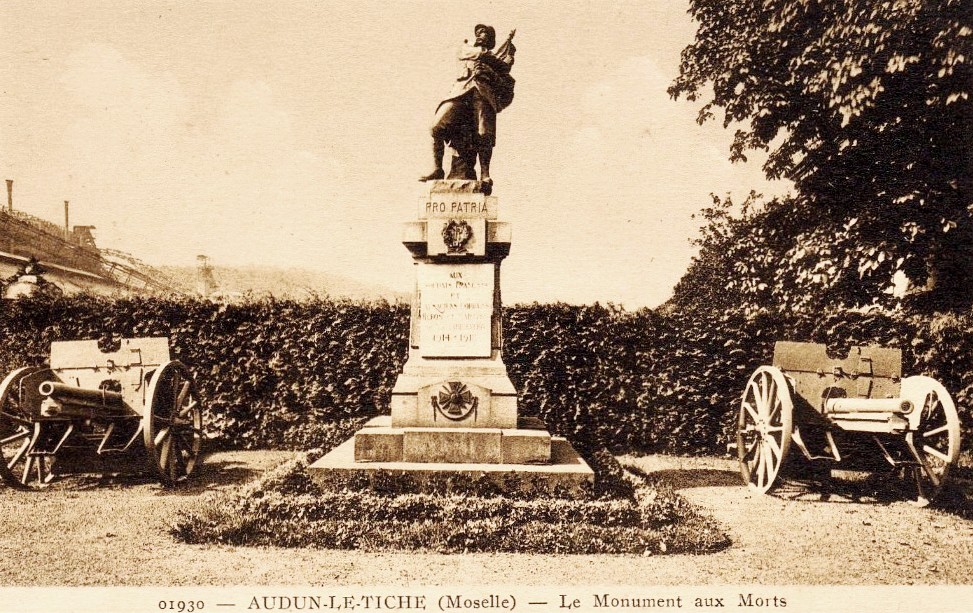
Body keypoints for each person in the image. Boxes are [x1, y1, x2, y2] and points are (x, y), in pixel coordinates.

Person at [419, 25, 515, 186]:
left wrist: (489, 71)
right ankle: (438, 169)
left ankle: (485, 173)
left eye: (485, 35)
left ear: (490, 41)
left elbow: (506, 79)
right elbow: (472, 53)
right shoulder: (466, 49)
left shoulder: (493, 61)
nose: (480, 36)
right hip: (460, 92)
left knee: (484, 133)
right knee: (436, 127)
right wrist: (491, 60)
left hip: (482, 94)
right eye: (478, 33)